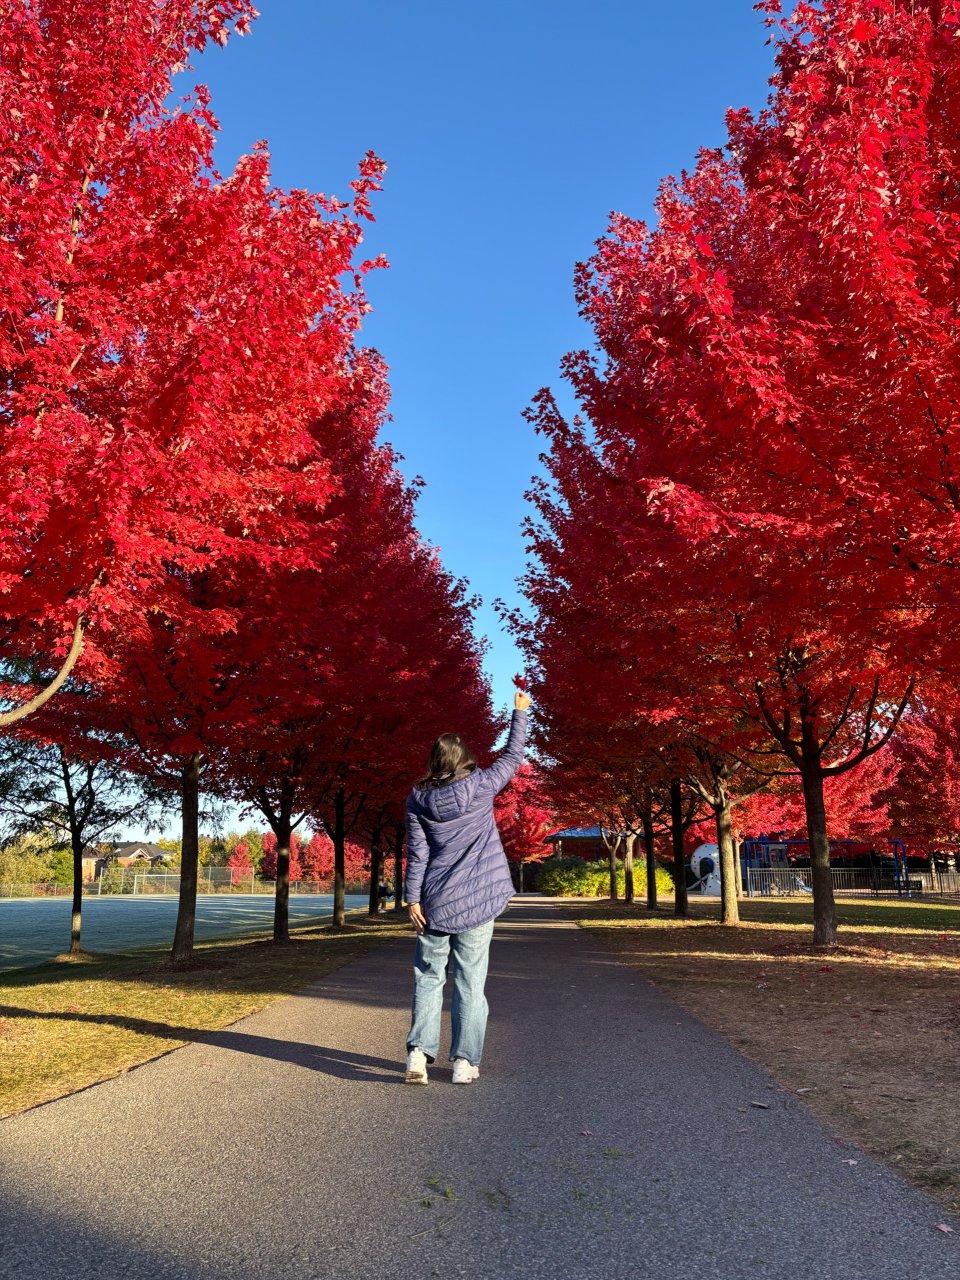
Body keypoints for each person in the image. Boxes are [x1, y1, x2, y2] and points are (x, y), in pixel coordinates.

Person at [403, 691, 530, 1085]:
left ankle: (417, 1057)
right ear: (465, 759)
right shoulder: (482, 785)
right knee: (470, 982)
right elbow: (512, 757)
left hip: (436, 902)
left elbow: (417, 854)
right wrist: (519, 714)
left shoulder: (417, 799)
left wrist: (411, 897)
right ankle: (463, 1062)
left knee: (428, 977)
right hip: (478, 902)